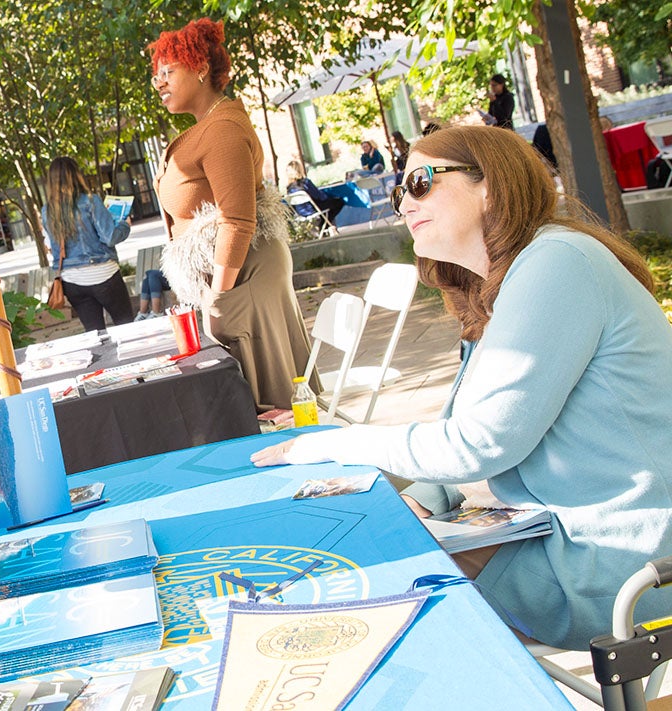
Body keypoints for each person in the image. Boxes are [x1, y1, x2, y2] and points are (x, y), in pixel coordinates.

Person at [251, 126, 672, 650]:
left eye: (421, 182)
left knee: (373, 575)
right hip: (569, 538)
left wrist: (331, 441)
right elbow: (464, 437)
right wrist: (424, 501)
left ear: (489, 186)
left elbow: (476, 446)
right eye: (398, 191)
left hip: (625, 564)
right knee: (373, 543)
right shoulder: (508, 283)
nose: (405, 203)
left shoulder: (558, 262)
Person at [149, 18, 315, 411]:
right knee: (256, 411)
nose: (159, 83)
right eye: (156, 76)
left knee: (272, 409)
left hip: (244, 281)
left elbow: (238, 220)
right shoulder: (209, 126)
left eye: (168, 72)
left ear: (201, 68)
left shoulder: (222, 129)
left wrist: (220, 299)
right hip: (237, 279)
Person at [42, 156, 134, 332]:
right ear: (77, 175)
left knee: (95, 334)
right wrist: (124, 225)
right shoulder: (90, 201)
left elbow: (50, 246)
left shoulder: (47, 211)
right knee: (126, 327)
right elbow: (110, 237)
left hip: (71, 281)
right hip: (103, 274)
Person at [285, 159, 344, 225]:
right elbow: (319, 196)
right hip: (312, 209)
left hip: (300, 212)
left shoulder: (289, 188)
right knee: (339, 202)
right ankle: (325, 224)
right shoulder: (305, 183)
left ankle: (325, 224)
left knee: (325, 205)